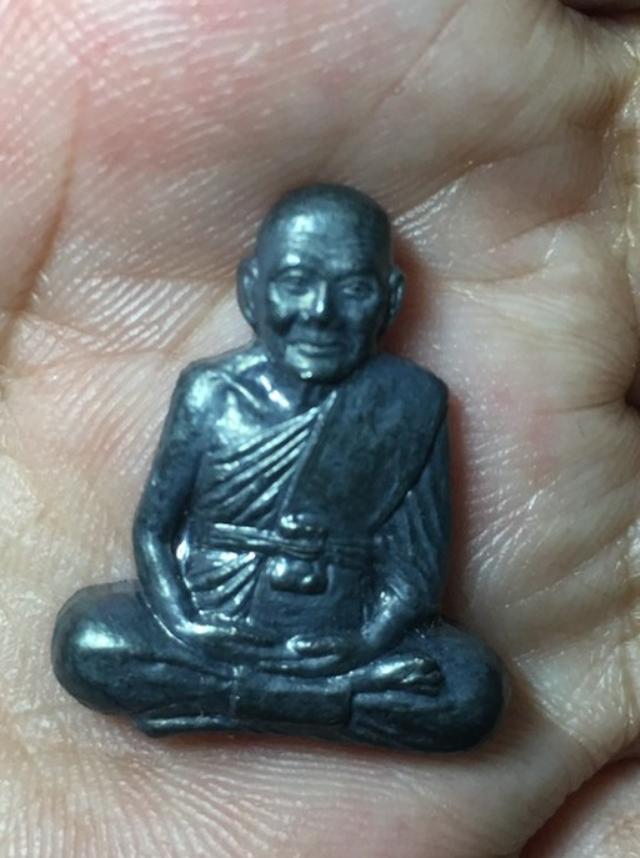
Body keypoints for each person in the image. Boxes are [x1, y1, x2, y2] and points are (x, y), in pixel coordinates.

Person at [52, 184, 504, 751]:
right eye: (294, 283)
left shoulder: (411, 402)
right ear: (251, 291)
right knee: (87, 641)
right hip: (212, 623)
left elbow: (416, 568)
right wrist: (184, 622)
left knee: (470, 690)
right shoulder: (211, 391)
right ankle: (329, 705)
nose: (320, 312)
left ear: (390, 300)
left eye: (354, 289)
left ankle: (225, 699)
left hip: (338, 631)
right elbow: (155, 530)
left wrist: (367, 640)